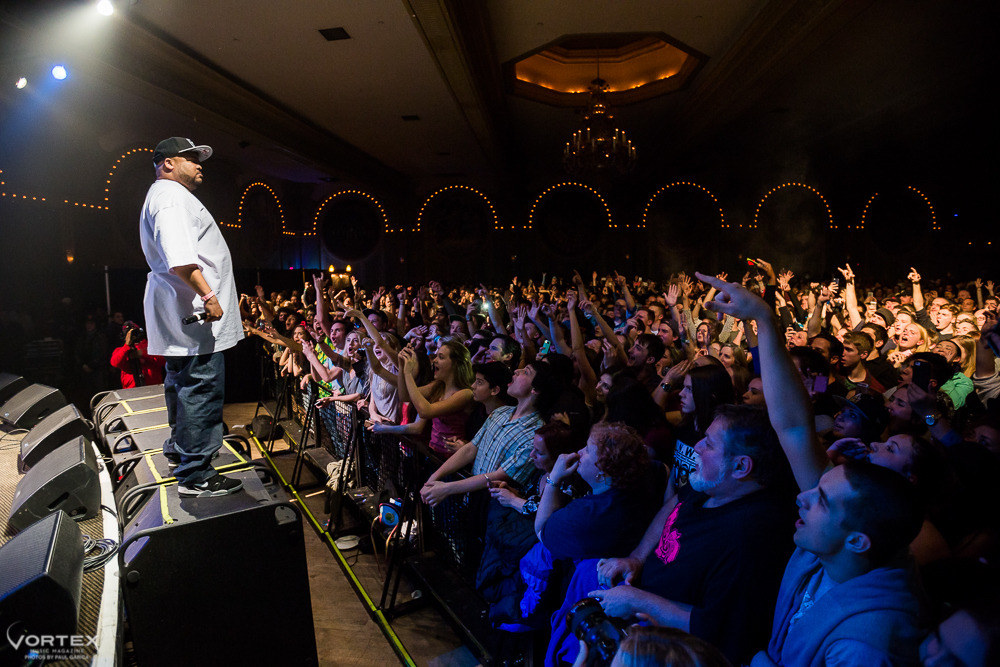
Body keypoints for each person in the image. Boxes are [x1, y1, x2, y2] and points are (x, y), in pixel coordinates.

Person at [140, 137, 244, 497]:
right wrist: (210, 295)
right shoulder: (170, 198)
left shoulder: (166, 196)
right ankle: (197, 474)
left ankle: (181, 454)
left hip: (184, 312)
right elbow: (181, 257)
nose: (200, 164)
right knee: (201, 387)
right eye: (191, 158)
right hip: (196, 314)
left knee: (182, 384)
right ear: (167, 164)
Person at [109, 321, 165, 388]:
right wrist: (126, 346)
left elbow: (163, 361)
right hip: (131, 390)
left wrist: (143, 354)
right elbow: (115, 363)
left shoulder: (151, 346)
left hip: (154, 387)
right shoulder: (120, 350)